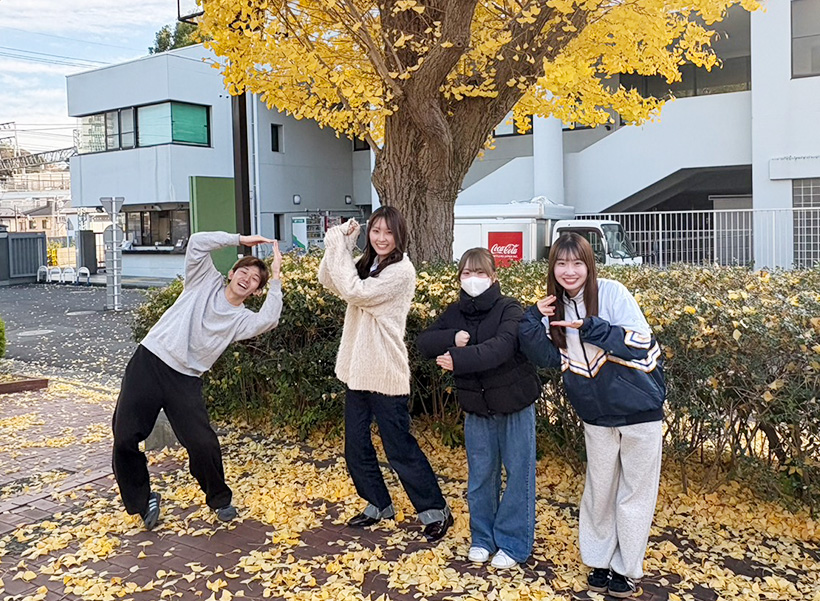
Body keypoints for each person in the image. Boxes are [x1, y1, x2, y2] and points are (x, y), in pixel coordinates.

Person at [518, 233, 664, 599]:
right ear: (552, 267)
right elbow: (546, 358)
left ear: (589, 265)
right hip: (595, 415)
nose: (569, 271)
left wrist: (593, 328)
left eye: (577, 263)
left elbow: (641, 342)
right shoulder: (554, 307)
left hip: (639, 412)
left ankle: (626, 569)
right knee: (599, 490)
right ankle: (599, 560)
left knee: (635, 493)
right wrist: (533, 317)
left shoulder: (612, 293)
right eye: (561, 263)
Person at [112, 232, 283, 530]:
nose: (246, 278)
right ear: (231, 273)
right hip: (150, 361)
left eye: (255, 279)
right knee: (125, 436)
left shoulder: (241, 320)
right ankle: (143, 501)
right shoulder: (203, 280)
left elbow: (269, 319)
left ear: (256, 291)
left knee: (202, 443)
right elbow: (197, 242)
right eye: (243, 271)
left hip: (186, 380)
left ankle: (220, 500)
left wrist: (277, 277)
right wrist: (240, 238)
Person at [318, 206, 453, 541]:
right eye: (375, 231)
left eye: (388, 232)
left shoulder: (401, 272)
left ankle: (436, 511)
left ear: (399, 236)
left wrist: (339, 247)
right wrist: (342, 246)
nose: (380, 238)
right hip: (357, 369)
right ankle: (378, 504)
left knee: (399, 448)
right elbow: (329, 280)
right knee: (356, 445)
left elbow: (354, 291)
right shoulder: (369, 265)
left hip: (385, 369)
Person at [417, 248, 540, 569]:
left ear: (494, 276)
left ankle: (514, 543)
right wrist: (452, 337)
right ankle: (482, 538)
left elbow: (500, 348)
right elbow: (424, 343)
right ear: (459, 278)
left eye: (481, 273)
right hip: (477, 407)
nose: (474, 280)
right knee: (481, 477)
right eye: (467, 274)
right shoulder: (454, 312)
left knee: (518, 475)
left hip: (515, 403)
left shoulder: (509, 308)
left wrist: (458, 358)